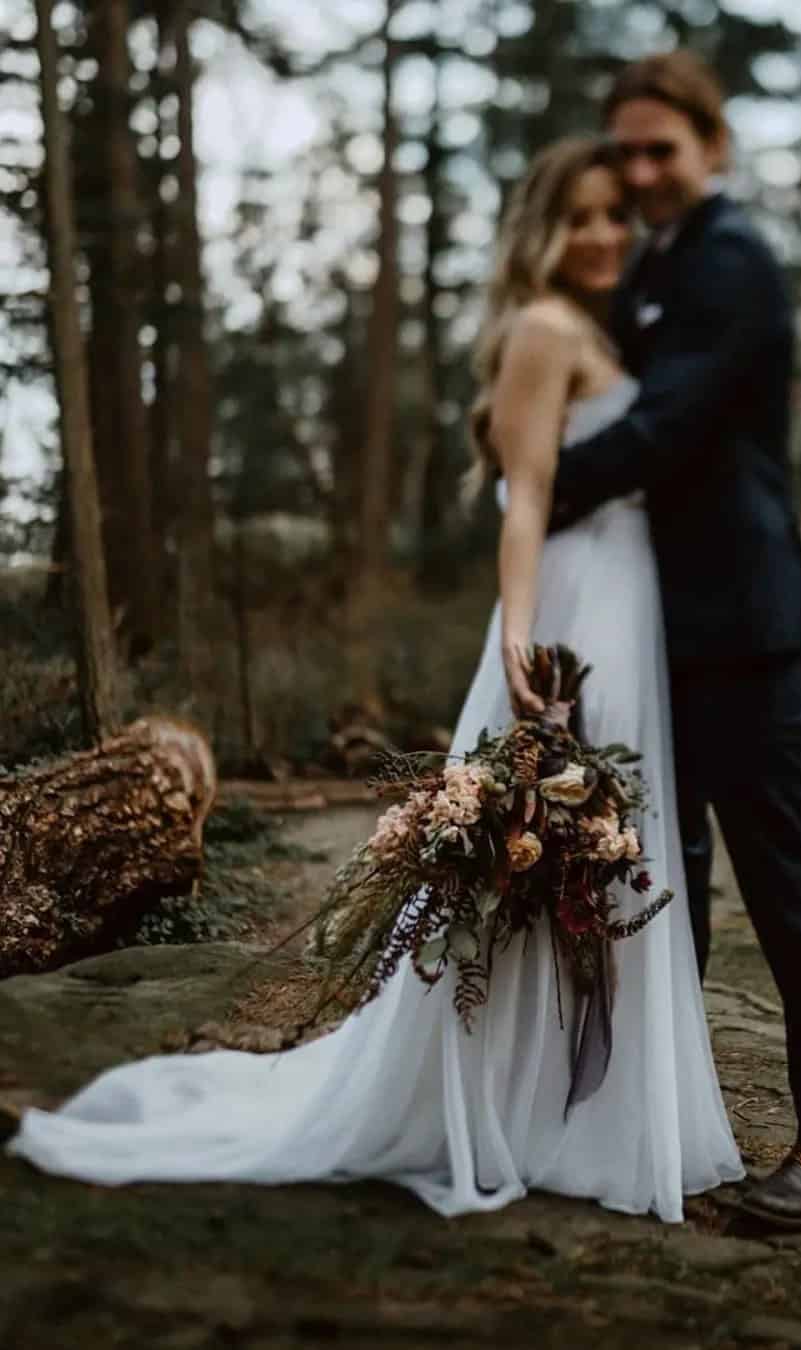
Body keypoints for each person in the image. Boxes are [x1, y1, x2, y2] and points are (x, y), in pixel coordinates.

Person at [6, 136, 744, 1224]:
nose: (600, 235)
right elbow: (527, 498)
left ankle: (584, 1111)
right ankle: (506, 1105)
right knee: (540, 855)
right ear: (540, 230)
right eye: (577, 216)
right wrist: (519, 644)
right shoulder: (543, 332)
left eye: (613, 217)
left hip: (633, 612)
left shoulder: (605, 328)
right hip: (574, 613)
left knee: (605, 856)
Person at [537, 51, 801, 1231]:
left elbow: (668, 428)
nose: (640, 170)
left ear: (711, 150)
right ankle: (660, 1115)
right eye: (624, 149)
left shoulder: (732, 264)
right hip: (653, 625)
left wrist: (530, 486)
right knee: (665, 881)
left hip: (743, 623)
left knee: (784, 881)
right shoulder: (650, 263)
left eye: (660, 149)